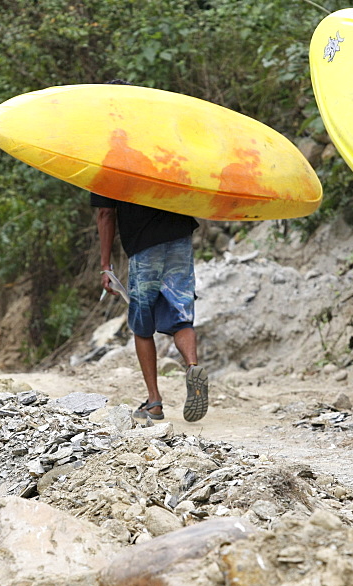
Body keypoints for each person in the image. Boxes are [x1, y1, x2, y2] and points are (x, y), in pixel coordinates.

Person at [92, 80, 208, 423]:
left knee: (142, 326)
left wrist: (105, 264)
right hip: (180, 235)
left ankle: (155, 401)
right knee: (180, 314)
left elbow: (104, 213)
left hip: (144, 245)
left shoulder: (109, 154)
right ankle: (193, 367)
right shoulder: (162, 140)